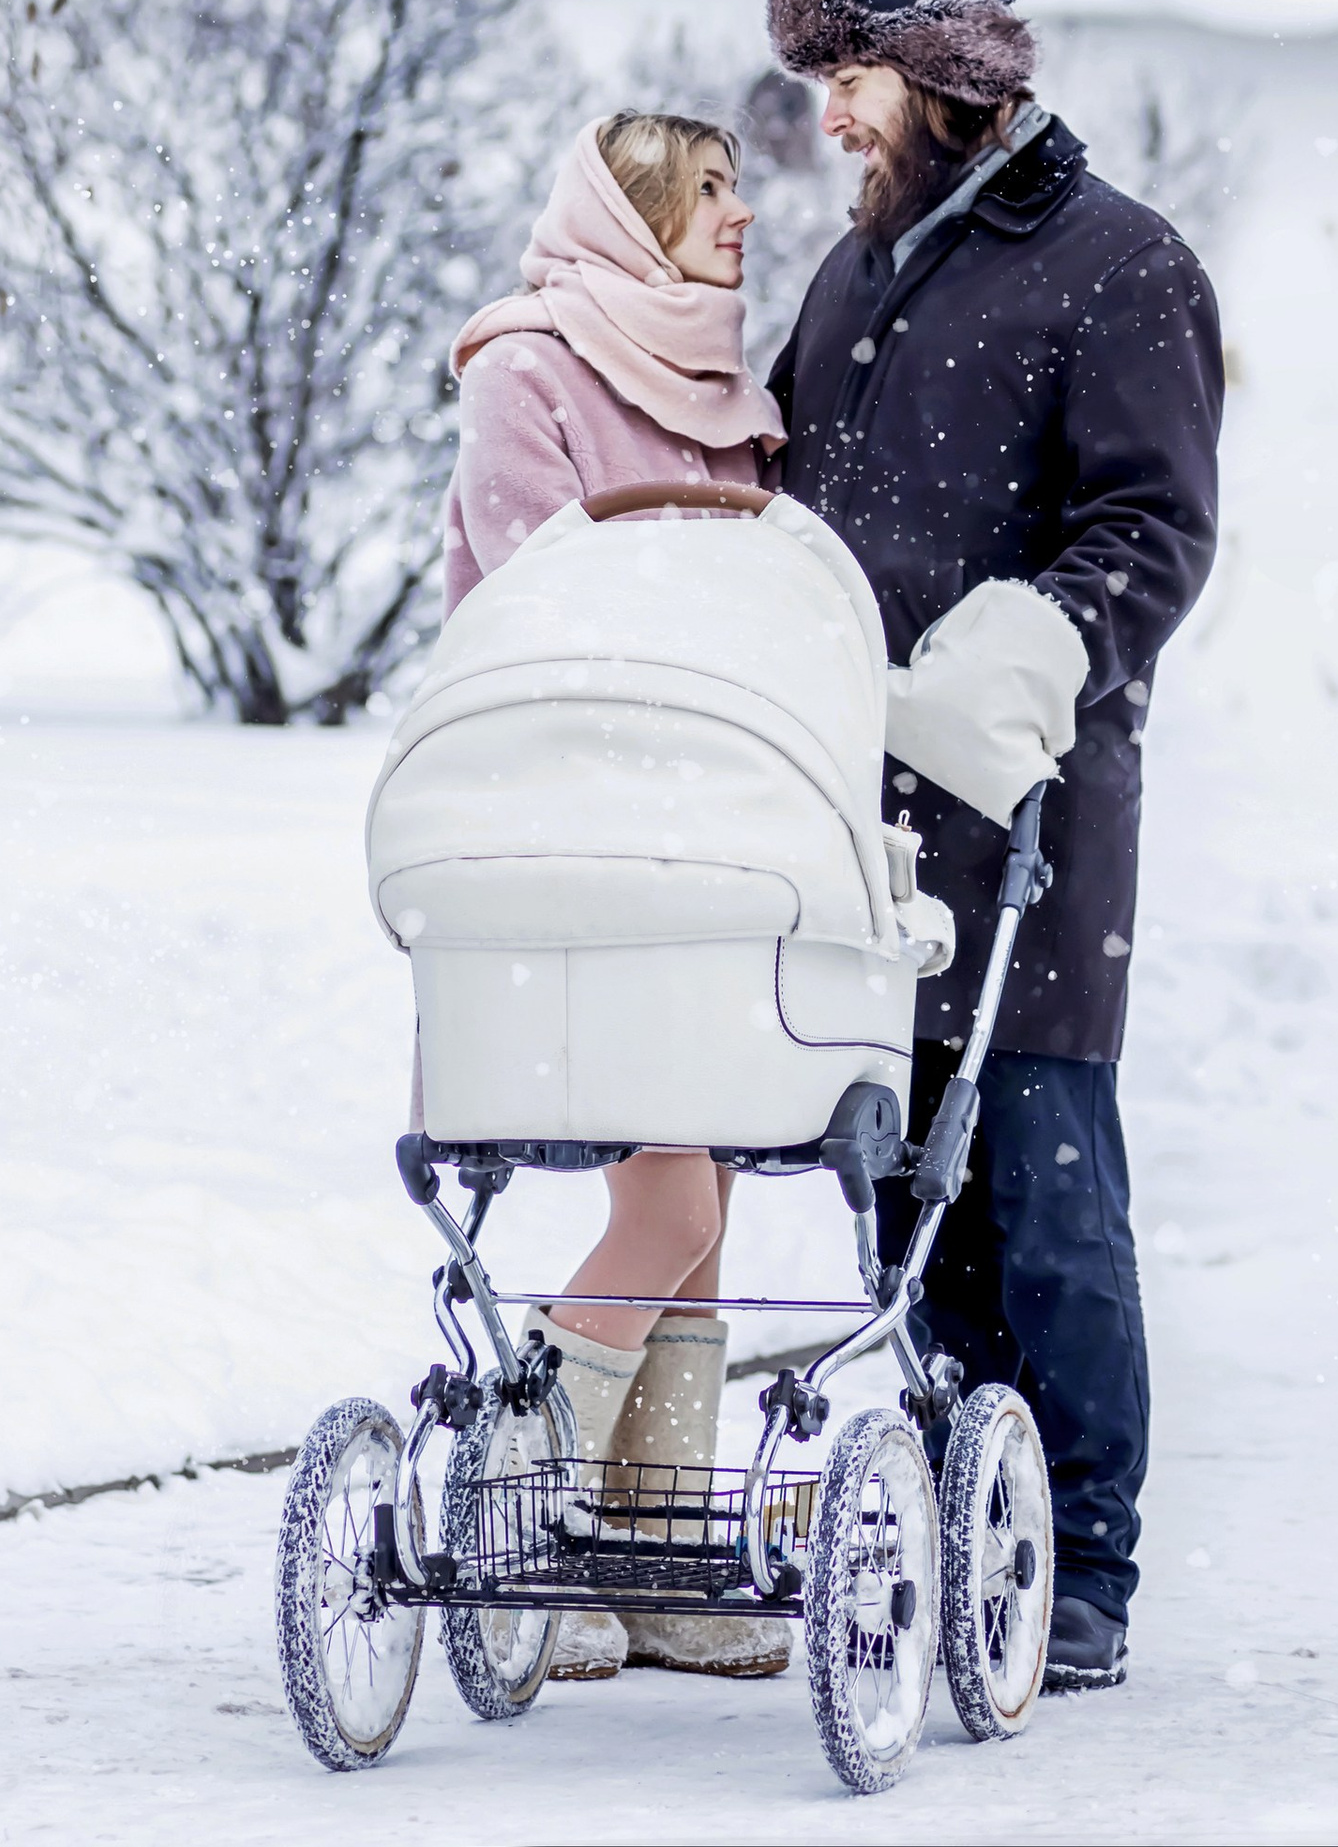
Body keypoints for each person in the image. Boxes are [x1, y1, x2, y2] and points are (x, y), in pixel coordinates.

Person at [764, 0, 1223, 1696]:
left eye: (852, 79)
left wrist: (1039, 639)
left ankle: (1084, 1554)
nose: (829, 119)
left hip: (1030, 827)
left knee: (1044, 1198)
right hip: (859, 828)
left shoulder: (1121, 266)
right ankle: (969, 1498)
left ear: (948, 77)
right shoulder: (853, 272)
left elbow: (1154, 528)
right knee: (902, 1203)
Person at [441, 111, 786, 1684]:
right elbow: (543, 603)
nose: (739, 211)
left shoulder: (728, 402)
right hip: (576, 830)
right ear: (630, 213)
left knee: (701, 1198)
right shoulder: (531, 370)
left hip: (715, 832)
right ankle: (529, 1518)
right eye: (706, 190)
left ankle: (653, 1564)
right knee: (673, 1196)